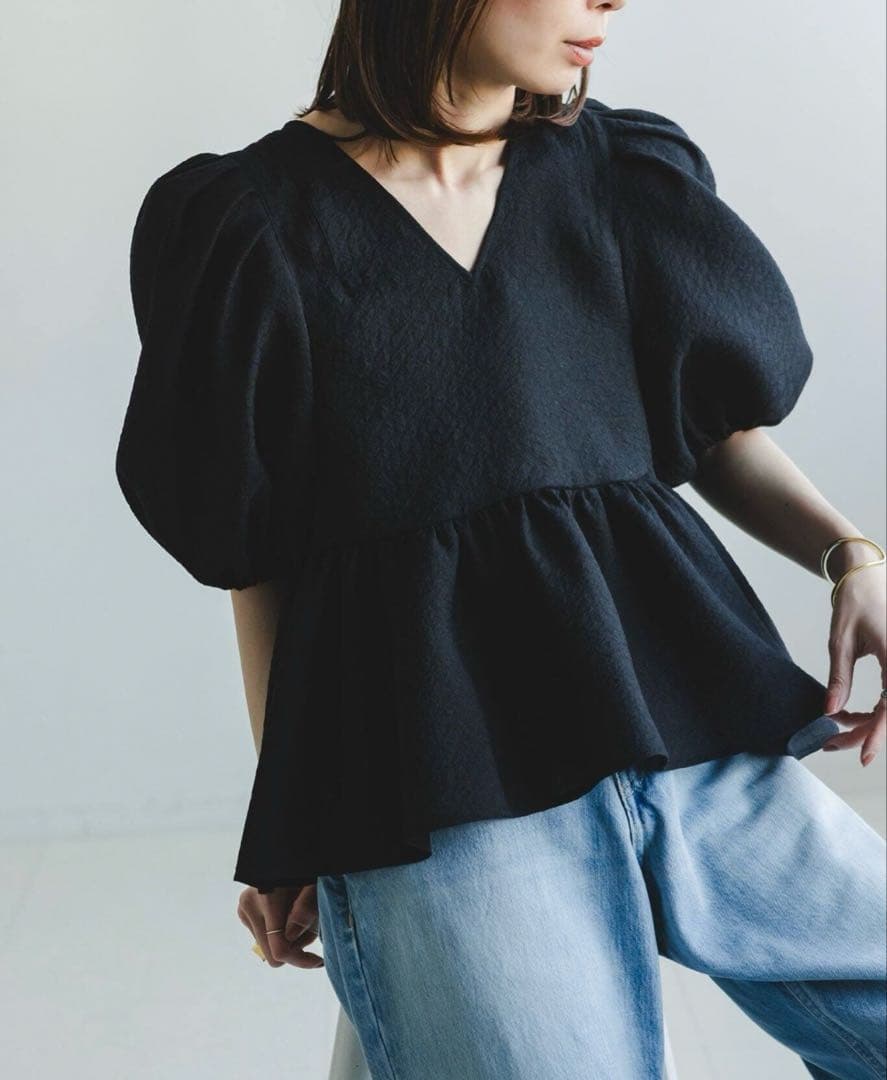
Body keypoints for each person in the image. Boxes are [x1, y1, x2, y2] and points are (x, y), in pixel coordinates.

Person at [114, 1, 887, 1076]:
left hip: (684, 723)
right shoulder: (251, 224)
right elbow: (263, 558)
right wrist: (301, 818)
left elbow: (708, 432)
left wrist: (850, 556)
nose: (608, 1)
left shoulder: (617, 173)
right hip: (439, 776)